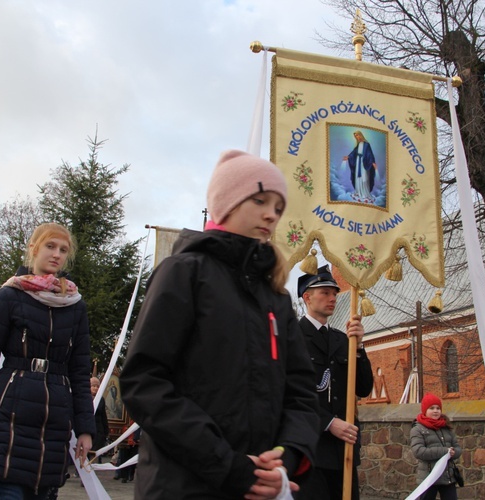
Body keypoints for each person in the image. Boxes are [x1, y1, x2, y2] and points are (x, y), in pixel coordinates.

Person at [120, 149, 320, 499]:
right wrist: (226, 463)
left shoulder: (275, 296)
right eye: (260, 199)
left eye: (278, 206)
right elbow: (145, 381)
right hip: (182, 485)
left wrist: (288, 455)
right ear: (227, 202)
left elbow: (301, 390)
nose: (271, 214)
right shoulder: (183, 272)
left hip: (260, 486)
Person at [0, 222, 95, 499]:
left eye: (63, 250)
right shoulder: (10, 296)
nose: (57, 254)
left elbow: (79, 371)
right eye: (50, 246)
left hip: (54, 423)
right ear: (33, 248)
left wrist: (85, 429)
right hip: (10, 419)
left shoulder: (75, 305)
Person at [295, 265, 373, 500]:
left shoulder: (342, 339)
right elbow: (289, 395)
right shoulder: (294, 337)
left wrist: (358, 347)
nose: (332, 298)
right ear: (307, 297)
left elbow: (363, 387)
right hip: (312, 450)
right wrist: (329, 423)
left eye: (334, 293)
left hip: (344, 452)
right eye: (325, 293)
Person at [409, 393, 463, 500]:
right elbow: (419, 451)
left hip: (447, 477)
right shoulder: (417, 429)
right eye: (432, 408)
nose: (435, 411)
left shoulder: (446, 427)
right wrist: (444, 451)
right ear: (425, 410)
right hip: (428, 478)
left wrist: (453, 453)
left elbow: (457, 448)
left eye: (438, 408)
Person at [343, 131, 376, 202]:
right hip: (358, 162)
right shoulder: (358, 145)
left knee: (364, 178)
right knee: (358, 177)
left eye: (357, 135)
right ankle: (358, 192)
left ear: (360, 135)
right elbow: (353, 153)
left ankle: (365, 193)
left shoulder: (367, 144)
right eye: (355, 136)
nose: (356, 137)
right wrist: (348, 157)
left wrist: (373, 162)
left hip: (364, 163)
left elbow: (370, 154)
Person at [90, 377, 109, 463]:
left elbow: (103, 416)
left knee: (96, 450)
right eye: (93, 386)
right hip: (88, 427)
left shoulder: (101, 400)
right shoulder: (85, 398)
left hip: (98, 429)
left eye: (97, 386)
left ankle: (94, 466)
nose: (96, 388)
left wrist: (106, 431)